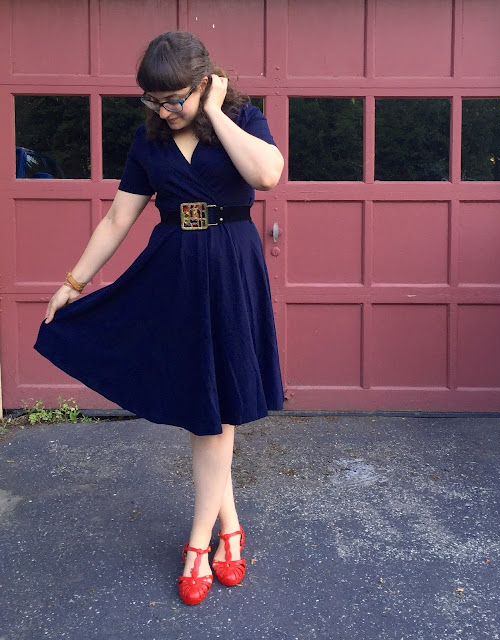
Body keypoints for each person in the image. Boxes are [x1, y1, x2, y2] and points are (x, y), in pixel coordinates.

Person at [33, 30, 284, 606]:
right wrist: (73, 283)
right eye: (153, 99)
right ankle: (230, 530)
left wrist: (214, 112)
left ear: (205, 84)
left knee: (215, 413)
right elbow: (118, 219)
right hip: (174, 273)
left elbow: (266, 176)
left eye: (174, 99)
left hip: (231, 268)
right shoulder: (149, 140)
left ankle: (200, 544)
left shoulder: (243, 119)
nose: (163, 111)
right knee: (207, 408)